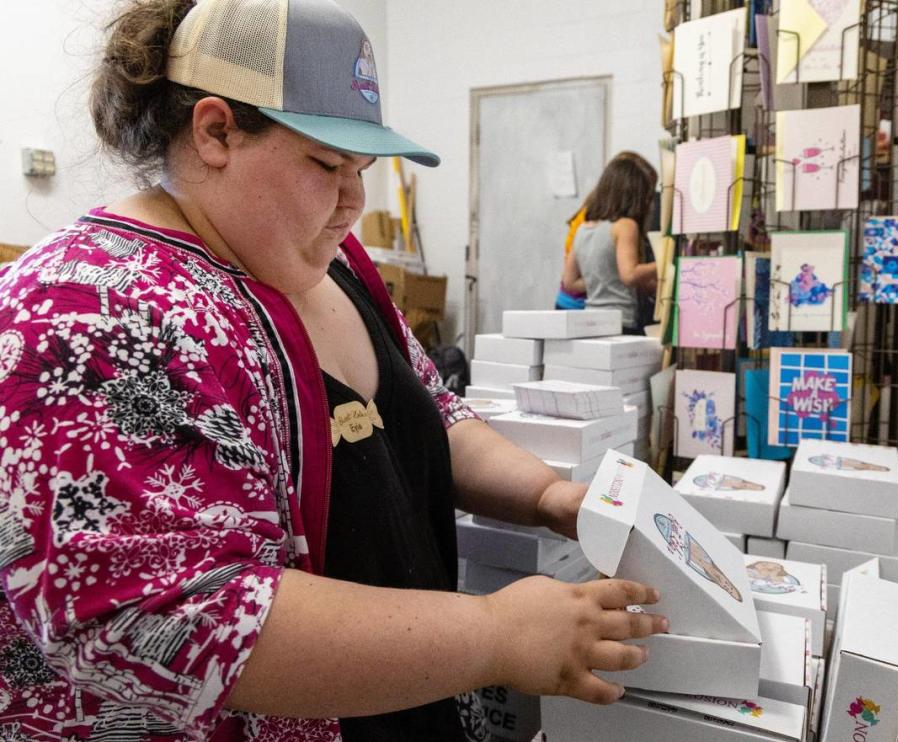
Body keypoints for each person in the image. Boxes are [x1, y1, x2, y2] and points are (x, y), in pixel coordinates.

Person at [0, 1, 667, 740]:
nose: (354, 202)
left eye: (363, 169)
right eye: (325, 165)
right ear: (217, 130)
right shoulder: (80, 311)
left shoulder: (332, 261)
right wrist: (493, 634)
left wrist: (552, 496)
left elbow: (428, 413)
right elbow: (158, 616)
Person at [561, 152, 659, 333]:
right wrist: (664, 264)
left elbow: (570, 282)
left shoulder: (583, 228)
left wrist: (606, 279)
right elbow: (629, 275)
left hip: (590, 321)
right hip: (621, 322)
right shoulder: (625, 226)